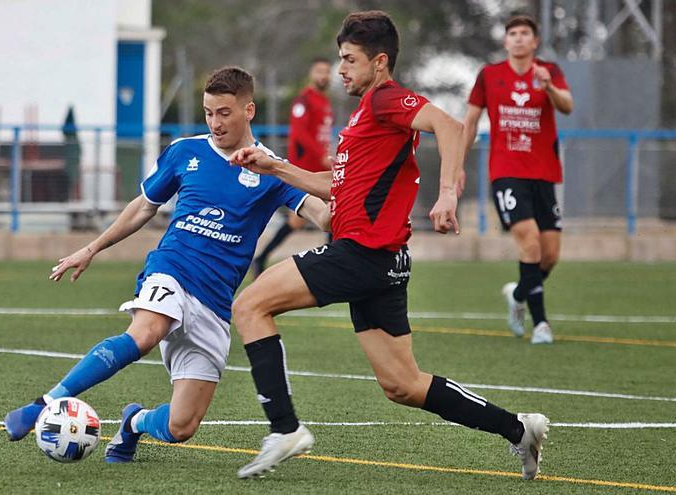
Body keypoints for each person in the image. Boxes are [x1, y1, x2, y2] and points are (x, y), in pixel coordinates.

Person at [229, 11, 549, 481]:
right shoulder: (364, 116)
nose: (341, 69)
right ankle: (519, 428)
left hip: (362, 254)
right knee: (403, 385)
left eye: (349, 59)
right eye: (340, 59)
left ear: (380, 62)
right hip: (383, 263)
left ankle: (284, 429)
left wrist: (447, 194)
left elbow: (449, 124)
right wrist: (273, 166)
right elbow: (331, 186)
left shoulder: (386, 100)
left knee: (249, 306)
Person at [3, 67, 329, 463]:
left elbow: (324, 215)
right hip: (172, 267)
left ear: (249, 110)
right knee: (146, 331)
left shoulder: (271, 168)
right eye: (209, 112)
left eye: (224, 113)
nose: (215, 122)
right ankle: (43, 404)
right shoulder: (185, 152)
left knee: (181, 426)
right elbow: (143, 205)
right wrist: (92, 248)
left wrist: (359, 183)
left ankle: (133, 423)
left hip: (215, 300)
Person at [463, 15, 574, 345]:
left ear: (535, 41)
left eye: (525, 33)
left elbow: (568, 106)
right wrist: (457, 165)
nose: (519, 38)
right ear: (505, 41)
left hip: (544, 173)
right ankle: (541, 324)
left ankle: (519, 293)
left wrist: (549, 87)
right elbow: (470, 121)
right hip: (506, 171)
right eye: (513, 33)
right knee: (530, 241)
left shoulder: (548, 72)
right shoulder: (489, 75)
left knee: (550, 255)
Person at [252, 57, 334, 277]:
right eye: (319, 71)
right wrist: (322, 156)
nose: (323, 76)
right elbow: (300, 135)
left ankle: (261, 259)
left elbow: (320, 136)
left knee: (330, 215)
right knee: (320, 218)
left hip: (321, 171)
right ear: (311, 73)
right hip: (306, 171)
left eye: (327, 71)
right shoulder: (304, 101)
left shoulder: (324, 102)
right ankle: (261, 258)